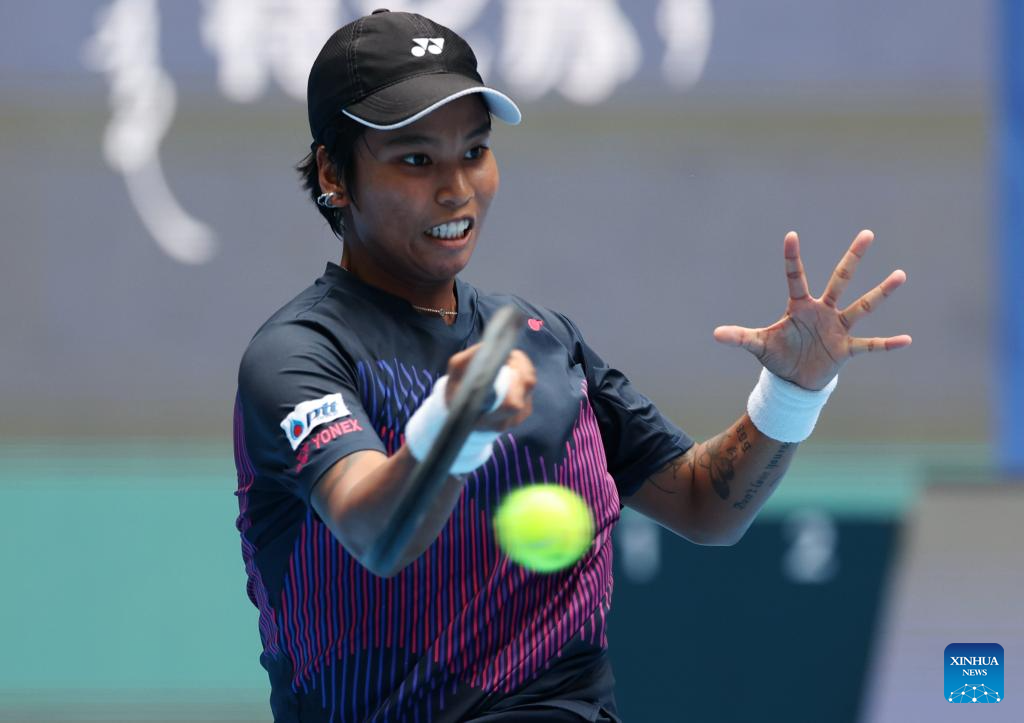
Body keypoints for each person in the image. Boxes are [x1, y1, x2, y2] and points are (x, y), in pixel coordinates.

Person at [232, 9, 911, 722]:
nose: (457, 187)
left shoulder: (544, 338)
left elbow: (704, 504)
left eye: (474, 150)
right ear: (334, 174)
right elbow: (378, 532)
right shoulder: (299, 355)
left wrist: (793, 390)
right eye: (415, 159)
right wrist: (454, 428)